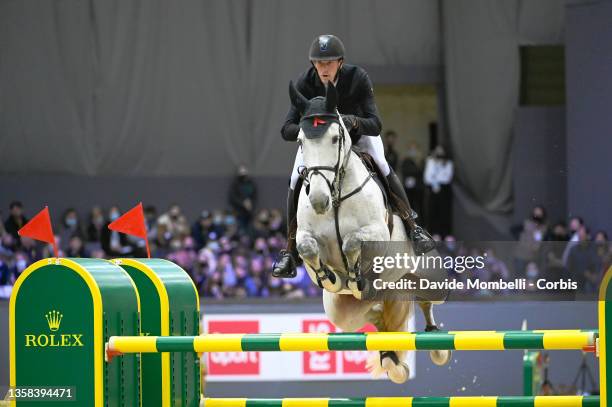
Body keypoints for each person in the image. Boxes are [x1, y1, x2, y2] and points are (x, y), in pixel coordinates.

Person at [272, 34, 434, 278]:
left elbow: (376, 124)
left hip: (358, 137)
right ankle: (289, 250)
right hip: (320, 144)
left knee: (382, 164)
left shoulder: (357, 78)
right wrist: (312, 131)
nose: (322, 68)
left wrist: (354, 121)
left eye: (328, 63)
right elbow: (286, 129)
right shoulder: (305, 83)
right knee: (295, 179)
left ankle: (413, 228)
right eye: (318, 63)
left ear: (340, 62)